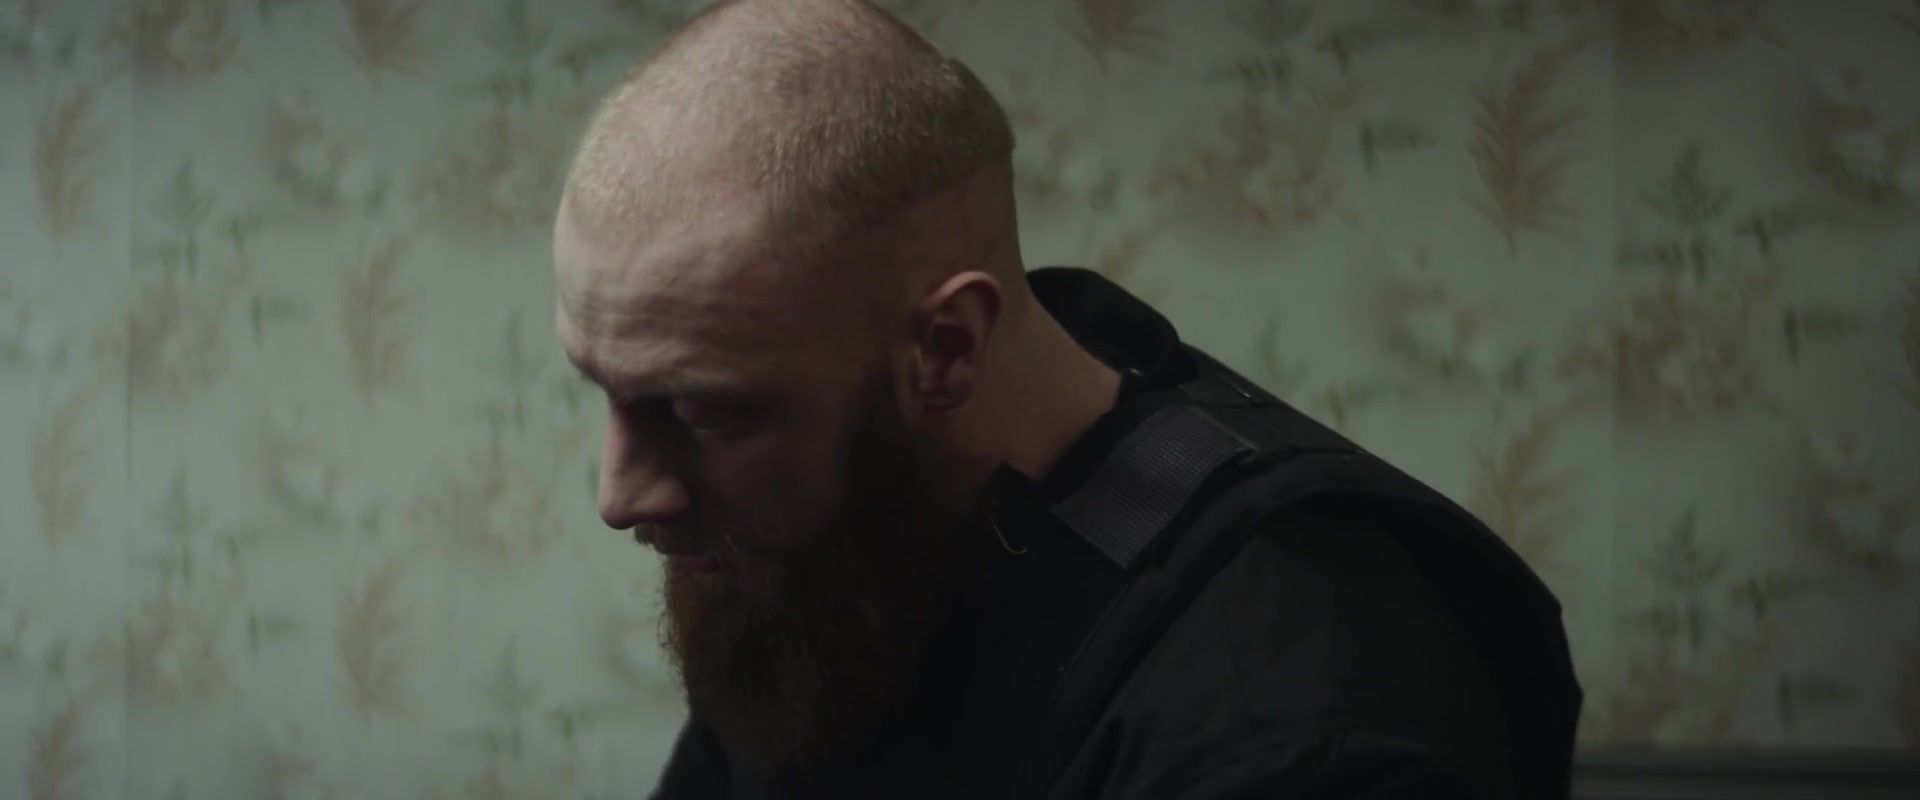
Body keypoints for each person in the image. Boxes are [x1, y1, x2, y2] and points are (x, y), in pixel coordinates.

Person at [550, 0, 1583, 797]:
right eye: (606, 391)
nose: (621, 494)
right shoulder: (826, 575)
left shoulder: (1299, 724)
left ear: (946, 348)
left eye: (703, 410)